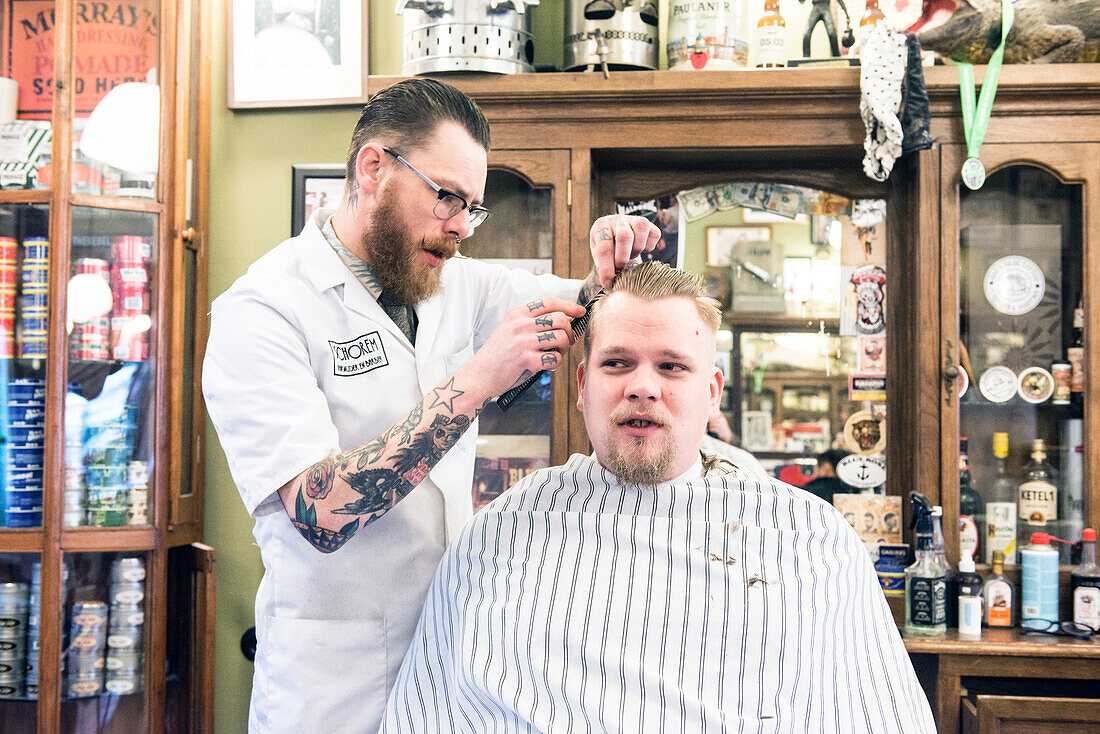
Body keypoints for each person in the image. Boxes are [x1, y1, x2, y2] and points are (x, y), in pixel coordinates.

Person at [202, 78, 659, 733]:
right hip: (334, 685)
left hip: (448, 659)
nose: (458, 226)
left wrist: (603, 276)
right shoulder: (265, 310)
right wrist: (478, 378)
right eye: (445, 196)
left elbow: (575, 303)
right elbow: (321, 511)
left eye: (472, 207)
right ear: (373, 168)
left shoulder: (449, 277)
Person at [381, 262, 935, 732]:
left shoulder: (809, 539)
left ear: (711, 392)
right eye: (617, 362)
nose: (642, 386)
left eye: (671, 366)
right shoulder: (498, 536)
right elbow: (421, 717)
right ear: (581, 386)